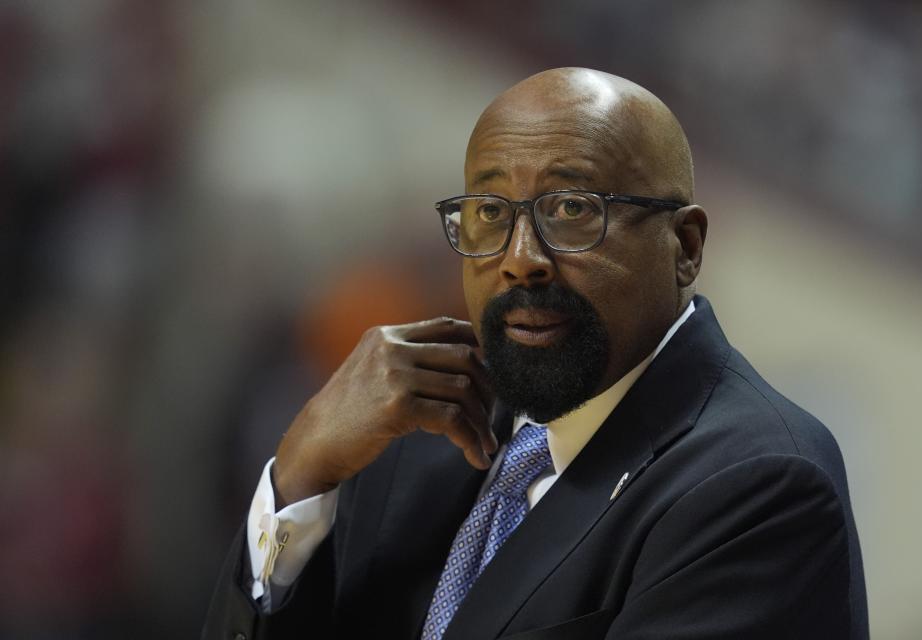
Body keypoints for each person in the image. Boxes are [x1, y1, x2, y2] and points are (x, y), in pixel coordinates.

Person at [203, 68, 868, 639]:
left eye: (572, 208)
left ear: (686, 246)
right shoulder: (413, 435)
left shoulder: (761, 482)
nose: (520, 260)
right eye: (490, 213)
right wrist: (296, 480)